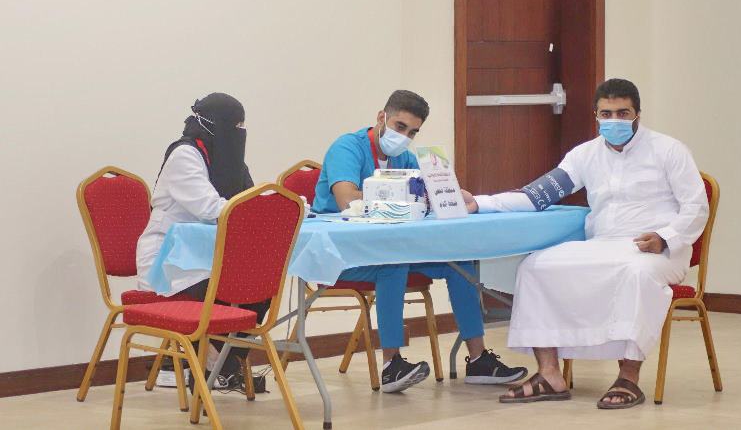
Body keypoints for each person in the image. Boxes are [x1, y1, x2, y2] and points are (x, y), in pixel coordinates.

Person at [461, 78, 708, 409]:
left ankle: (628, 378)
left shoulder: (669, 150)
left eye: (623, 113)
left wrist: (665, 237)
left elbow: (696, 207)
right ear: (596, 115)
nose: (615, 120)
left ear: (638, 113)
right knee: (535, 267)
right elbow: (536, 195)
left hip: (659, 251)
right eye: (607, 114)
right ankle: (549, 374)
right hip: (603, 245)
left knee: (636, 273)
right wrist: (480, 203)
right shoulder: (584, 155)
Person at [313, 89, 528, 393]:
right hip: (341, 255)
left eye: (412, 132)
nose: (404, 137)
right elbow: (347, 200)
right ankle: (391, 365)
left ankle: (478, 358)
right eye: (400, 127)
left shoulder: (405, 157)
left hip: (387, 248)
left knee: (458, 262)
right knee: (394, 263)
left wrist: (450, 193)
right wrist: (402, 195)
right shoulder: (347, 148)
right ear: (381, 118)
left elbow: (428, 197)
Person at [135, 92, 266, 391]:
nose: (239, 133)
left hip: (210, 257)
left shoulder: (231, 160)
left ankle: (221, 365)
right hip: (169, 260)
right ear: (214, 124)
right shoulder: (185, 154)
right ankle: (212, 367)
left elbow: (250, 198)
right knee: (223, 286)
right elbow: (211, 208)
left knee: (258, 288)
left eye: (242, 126)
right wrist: (260, 211)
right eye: (234, 126)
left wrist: (279, 206)